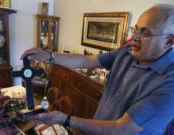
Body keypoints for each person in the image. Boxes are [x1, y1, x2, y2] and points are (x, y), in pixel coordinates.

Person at [21, 4, 174, 135]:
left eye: (145, 33)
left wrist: (64, 119)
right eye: (137, 29)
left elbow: (121, 128)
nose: (135, 37)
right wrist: (48, 55)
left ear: (169, 41)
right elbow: (88, 60)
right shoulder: (127, 51)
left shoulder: (170, 82)